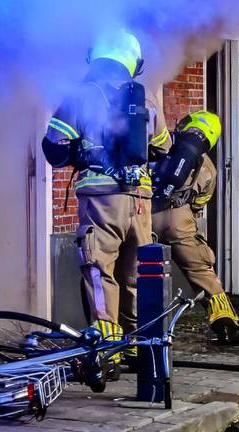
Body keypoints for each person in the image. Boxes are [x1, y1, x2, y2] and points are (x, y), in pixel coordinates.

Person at [41, 30, 172, 353]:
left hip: (102, 201)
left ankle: (107, 350)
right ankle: (139, 348)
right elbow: (163, 148)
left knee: (100, 272)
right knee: (136, 276)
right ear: (133, 63)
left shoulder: (82, 95)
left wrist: (83, 152)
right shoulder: (147, 98)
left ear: (95, 56)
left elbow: (53, 149)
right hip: (140, 203)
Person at [151, 110, 239, 345]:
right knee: (203, 273)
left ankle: (134, 334)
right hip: (180, 219)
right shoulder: (209, 168)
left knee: (135, 273)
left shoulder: (164, 145)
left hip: (146, 213)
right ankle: (226, 325)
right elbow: (199, 203)